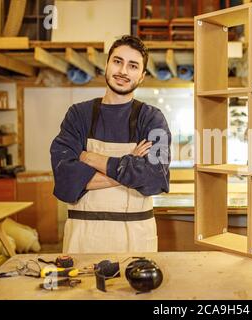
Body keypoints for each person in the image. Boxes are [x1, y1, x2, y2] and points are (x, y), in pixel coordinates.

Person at [50, 35, 171, 254]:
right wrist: (130, 165)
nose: (123, 71)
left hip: (135, 238)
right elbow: (65, 180)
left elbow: (155, 179)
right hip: (83, 240)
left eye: (133, 66)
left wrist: (90, 158)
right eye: (117, 61)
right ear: (106, 65)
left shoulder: (153, 119)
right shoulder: (78, 115)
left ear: (142, 76)